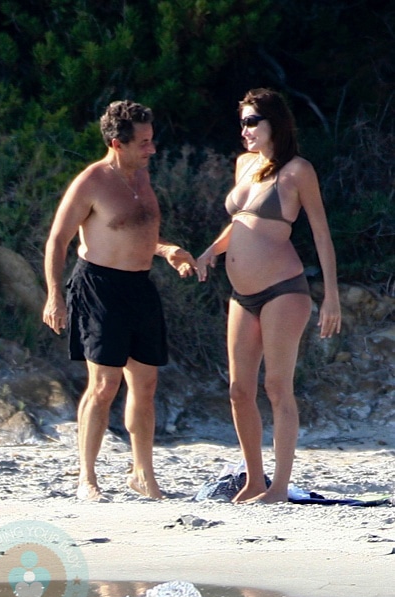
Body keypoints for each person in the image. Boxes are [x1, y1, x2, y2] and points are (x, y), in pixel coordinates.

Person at [43, 100, 196, 502]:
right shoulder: (92, 181)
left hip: (140, 287)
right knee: (104, 384)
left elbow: (137, 235)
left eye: (151, 139)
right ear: (117, 143)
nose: (152, 149)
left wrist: (168, 252)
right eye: (143, 142)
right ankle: (87, 478)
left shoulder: (142, 180)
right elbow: (58, 240)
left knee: (145, 385)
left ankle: (142, 474)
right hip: (98, 287)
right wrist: (54, 295)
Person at [196, 88, 341, 504]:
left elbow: (321, 234)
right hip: (241, 296)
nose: (243, 130)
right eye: (241, 122)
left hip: (284, 290)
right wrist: (210, 251)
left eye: (250, 122)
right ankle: (254, 480)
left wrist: (331, 296)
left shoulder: (297, 171)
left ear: (274, 123)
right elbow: (242, 223)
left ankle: (278, 487)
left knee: (277, 387)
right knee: (239, 390)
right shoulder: (244, 164)